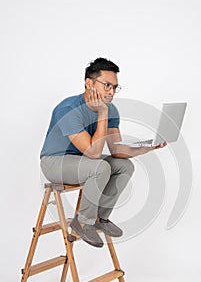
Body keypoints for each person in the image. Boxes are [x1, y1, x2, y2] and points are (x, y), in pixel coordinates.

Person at [40, 57, 167, 248]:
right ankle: (83, 221)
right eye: (107, 85)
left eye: (115, 87)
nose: (111, 92)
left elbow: (116, 150)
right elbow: (93, 152)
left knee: (125, 166)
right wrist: (102, 113)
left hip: (81, 160)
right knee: (99, 167)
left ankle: (100, 217)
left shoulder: (111, 109)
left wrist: (148, 147)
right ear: (89, 83)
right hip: (54, 162)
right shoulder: (68, 109)